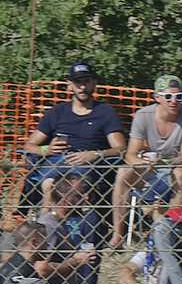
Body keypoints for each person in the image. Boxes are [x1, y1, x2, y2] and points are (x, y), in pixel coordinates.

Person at [111, 75, 182, 249]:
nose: (174, 101)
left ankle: (172, 231)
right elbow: (130, 154)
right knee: (123, 172)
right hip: (150, 168)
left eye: (179, 97)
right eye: (168, 97)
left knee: (180, 173)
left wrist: (163, 162)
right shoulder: (143, 115)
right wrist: (142, 163)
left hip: (177, 167)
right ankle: (118, 234)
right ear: (157, 97)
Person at [23, 61, 125, 215]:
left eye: (87, 81)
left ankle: (60, 223)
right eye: (78, 82)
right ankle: (46, 224)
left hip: (89, 165)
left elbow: (120, 148)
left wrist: (95, 154)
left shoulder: (105, 112)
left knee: (72, 184)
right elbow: (29, 145)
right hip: (56, 161)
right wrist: (46, 149)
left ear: (94, 83)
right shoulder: (57, 112)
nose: (82, 87)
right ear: (70, 85)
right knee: (49, 183)